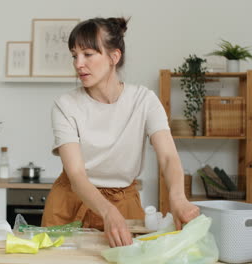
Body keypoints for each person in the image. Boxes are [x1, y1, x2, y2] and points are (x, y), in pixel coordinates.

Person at [41, 17, 199, 248]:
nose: (78, 64)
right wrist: (107, 211)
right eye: (74, 55)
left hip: (124, 201)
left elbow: (168, 157)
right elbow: (76, 175)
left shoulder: (144, 101)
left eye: (87, 54)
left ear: (114, 57)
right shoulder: (65, 105)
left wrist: (177, 197)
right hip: (71, 202)